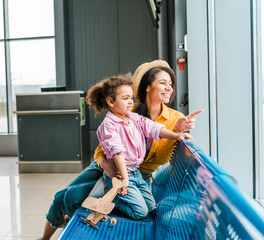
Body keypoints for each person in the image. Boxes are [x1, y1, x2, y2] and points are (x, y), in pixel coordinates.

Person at [39, 60, 202, 240]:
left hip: (135, 175)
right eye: (163, 83)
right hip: (107, 167)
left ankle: (85, 215)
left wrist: (177, 131)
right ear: (147, 87)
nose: (169, 88)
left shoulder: (174, 118)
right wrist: (104, 164)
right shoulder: (128, 110)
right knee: (63, 196)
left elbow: (161, 158)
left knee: (72, 196)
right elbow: (103, 148)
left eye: (170, 84)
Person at [85, 73, 193, 219]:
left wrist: (176, 135)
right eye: (125, 98)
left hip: (136, 173)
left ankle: (123, 197)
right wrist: (124, 180)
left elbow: (153, 128)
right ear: (110, 101)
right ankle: (111, 198)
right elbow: (117, 152)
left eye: (131, 98)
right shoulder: (108, 126)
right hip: (121, 175)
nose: (130, 102)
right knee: (140, 213)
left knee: (151, 207)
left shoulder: (133, 117)